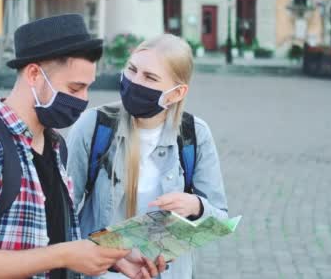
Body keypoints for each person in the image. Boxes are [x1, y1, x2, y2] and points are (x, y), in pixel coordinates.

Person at [0, 14, 163, 279]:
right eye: (75, 88)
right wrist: (66, 254)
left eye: (87, 88)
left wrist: (112, 254)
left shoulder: (54, 145)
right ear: (34, 74)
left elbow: (50, 234)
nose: (84, 100)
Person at [66, 34, 229, 278]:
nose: (134, 82)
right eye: (132, 70)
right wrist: (105, 255)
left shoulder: (194, 134)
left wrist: (196, 205)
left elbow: (219, 219)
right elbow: (63, 214)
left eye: (150, 77)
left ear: (176, 93)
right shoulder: (93, 126)